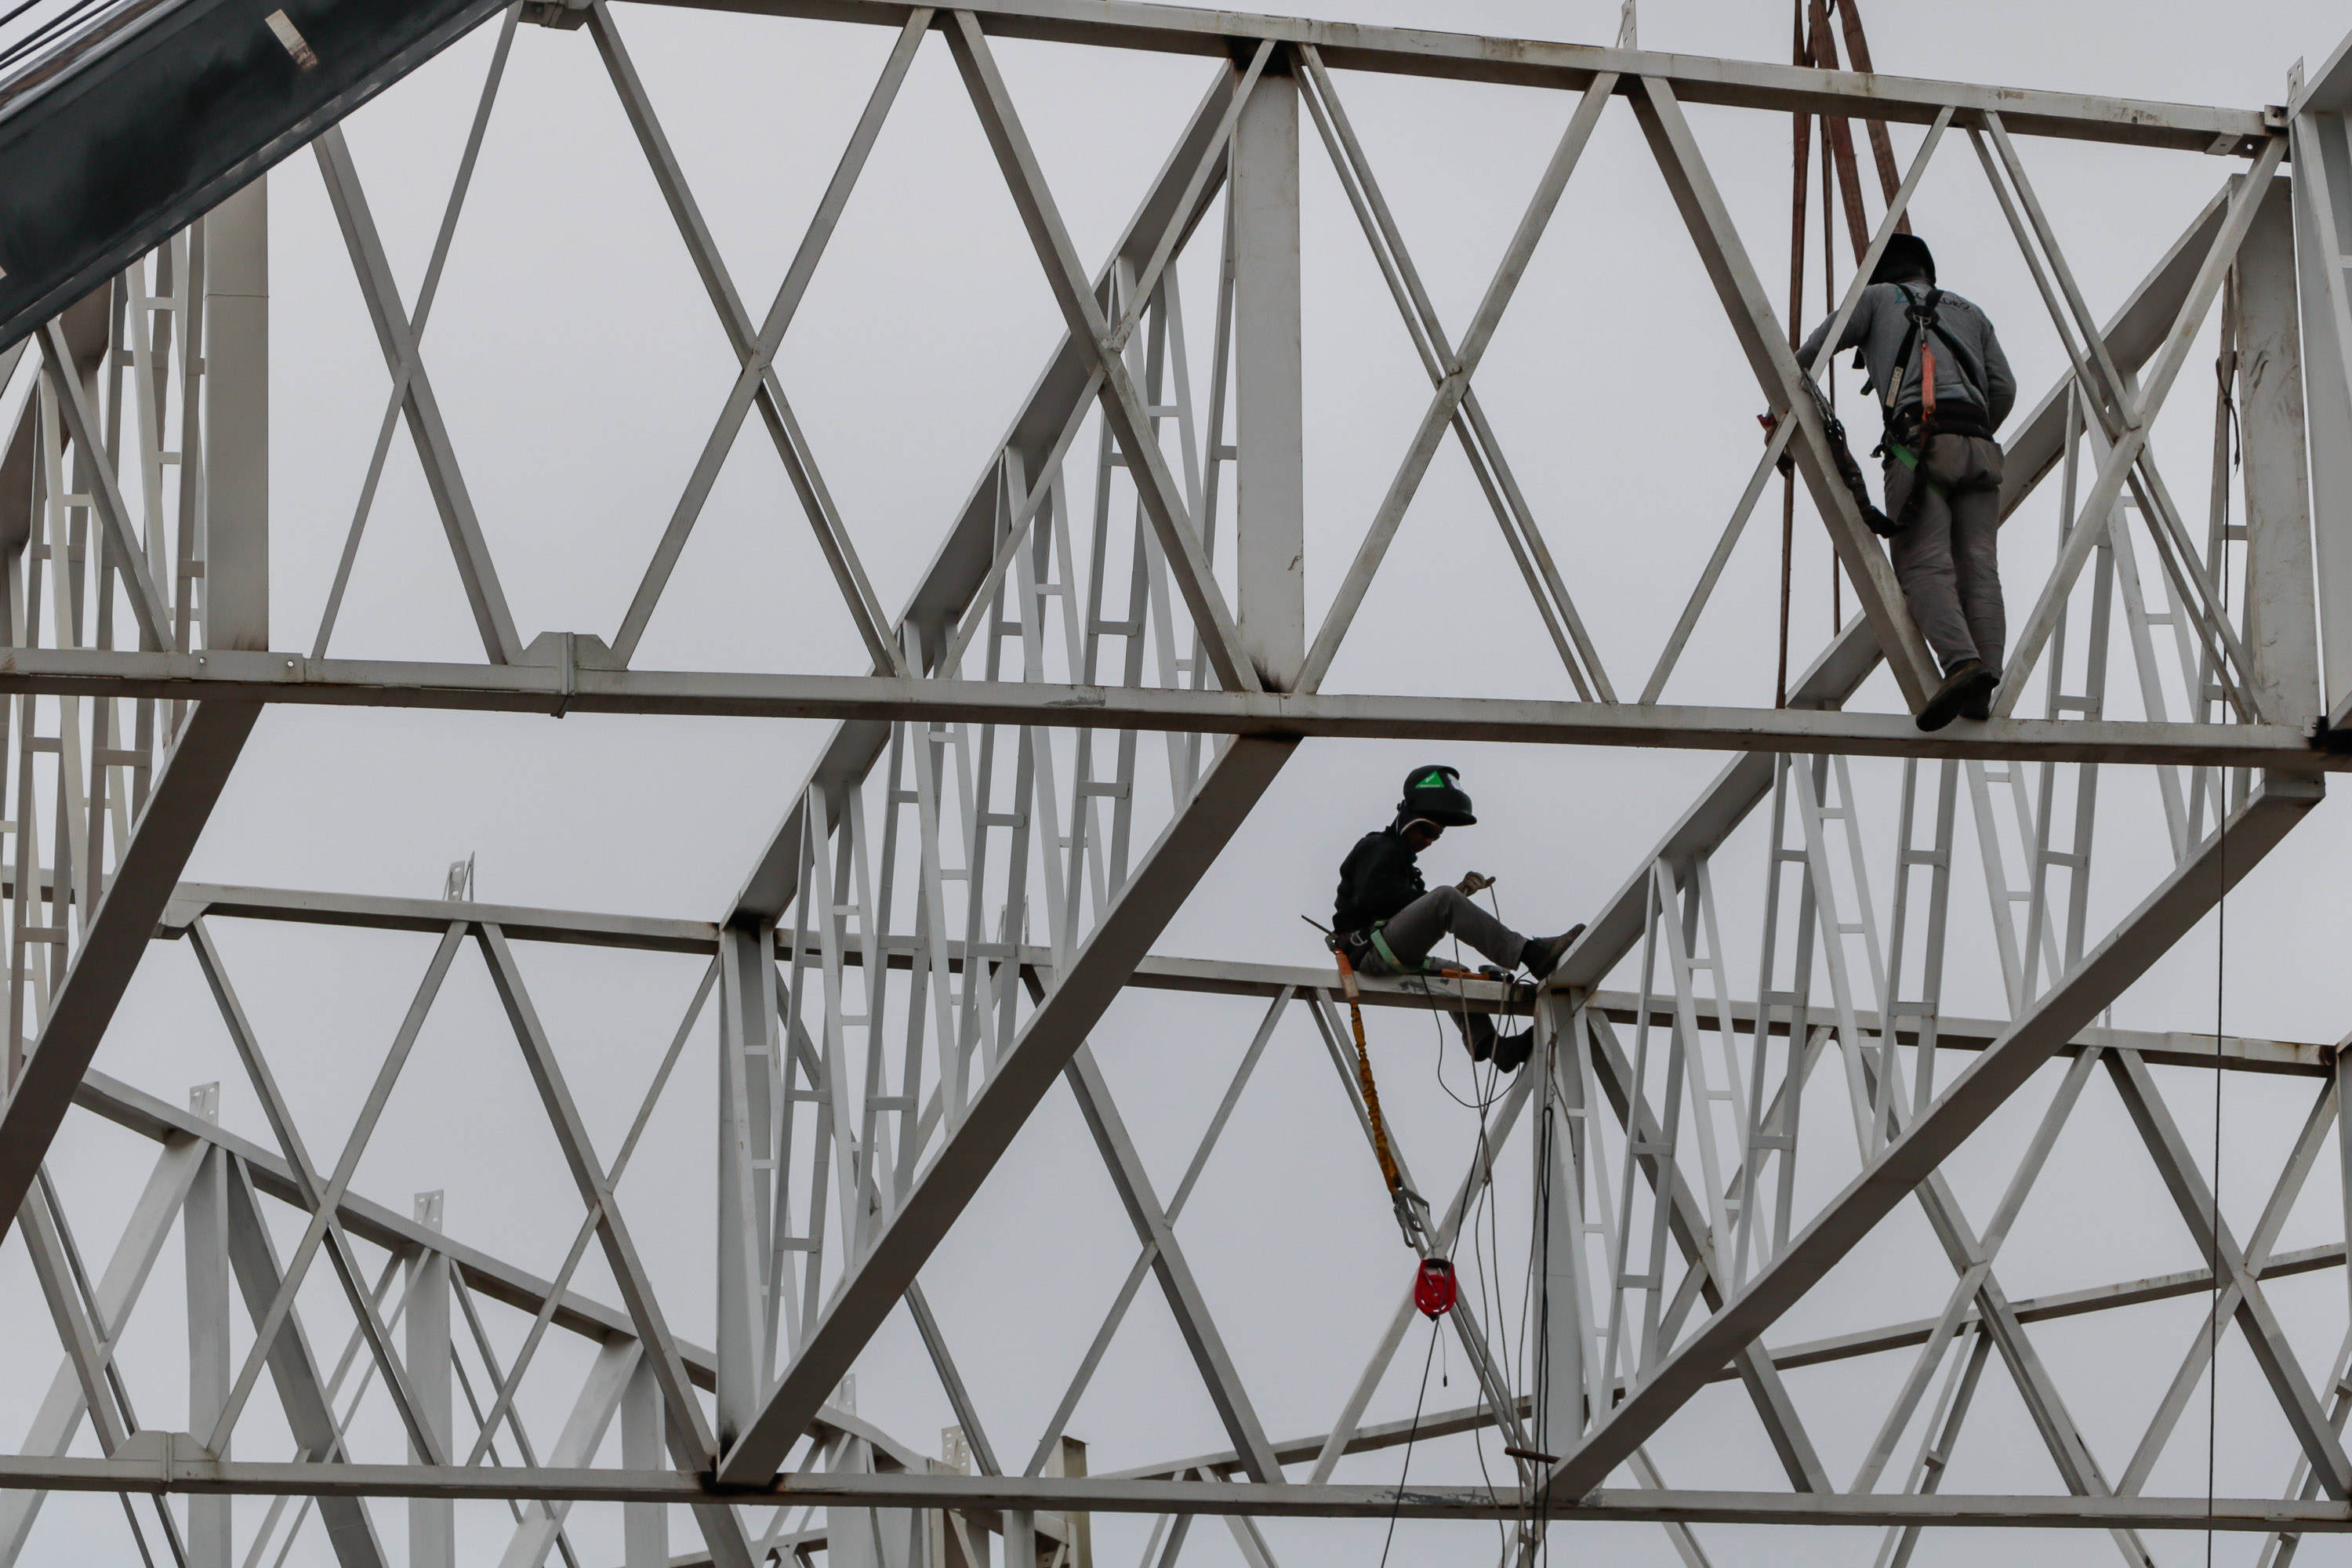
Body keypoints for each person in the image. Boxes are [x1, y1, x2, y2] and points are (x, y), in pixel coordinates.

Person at [1796, 232, 2017, 731]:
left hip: (1916, 446)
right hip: (1980, 448)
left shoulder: (1876, 299)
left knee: (1924, 563)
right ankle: (1987, 678)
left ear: (1880, 275)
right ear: (1927, 272)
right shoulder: (1972, 312)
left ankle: (1961, 664)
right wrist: (1972, 427)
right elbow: (2004, 388)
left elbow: (1815, 348)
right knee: (1980, 565)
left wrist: (1779, 413)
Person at [1329, 765, 1583, 1073]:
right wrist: (1454, 896)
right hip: (1369, 949)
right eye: (1426, 831)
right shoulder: (1378, 848)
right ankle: (1532, 954)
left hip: (1381, 948)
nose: (1429, 841)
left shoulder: (1405, 867)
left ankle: (1491, 1046)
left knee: (1455, 972)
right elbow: (1374, 897)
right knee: (1445, 898)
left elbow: (1406, 905)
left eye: (1436, 835)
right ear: (1407, 818)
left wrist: (1453, 896)